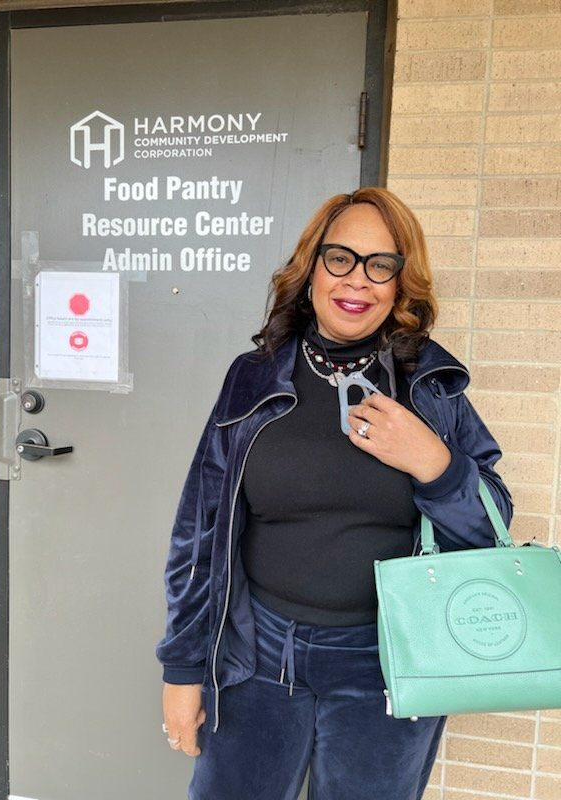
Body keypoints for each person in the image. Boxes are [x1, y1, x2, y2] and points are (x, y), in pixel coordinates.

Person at [155, 187, 514, 800]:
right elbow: (202, 525)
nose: (359, 281)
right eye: (340, 258)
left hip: (388, 669)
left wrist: (433, 461)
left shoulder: (428, 386)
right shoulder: (254, 377)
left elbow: (490, 527)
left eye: (382, 265)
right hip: (255, 657)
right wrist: (184, 669)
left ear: (401, 285)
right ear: (311, 268)